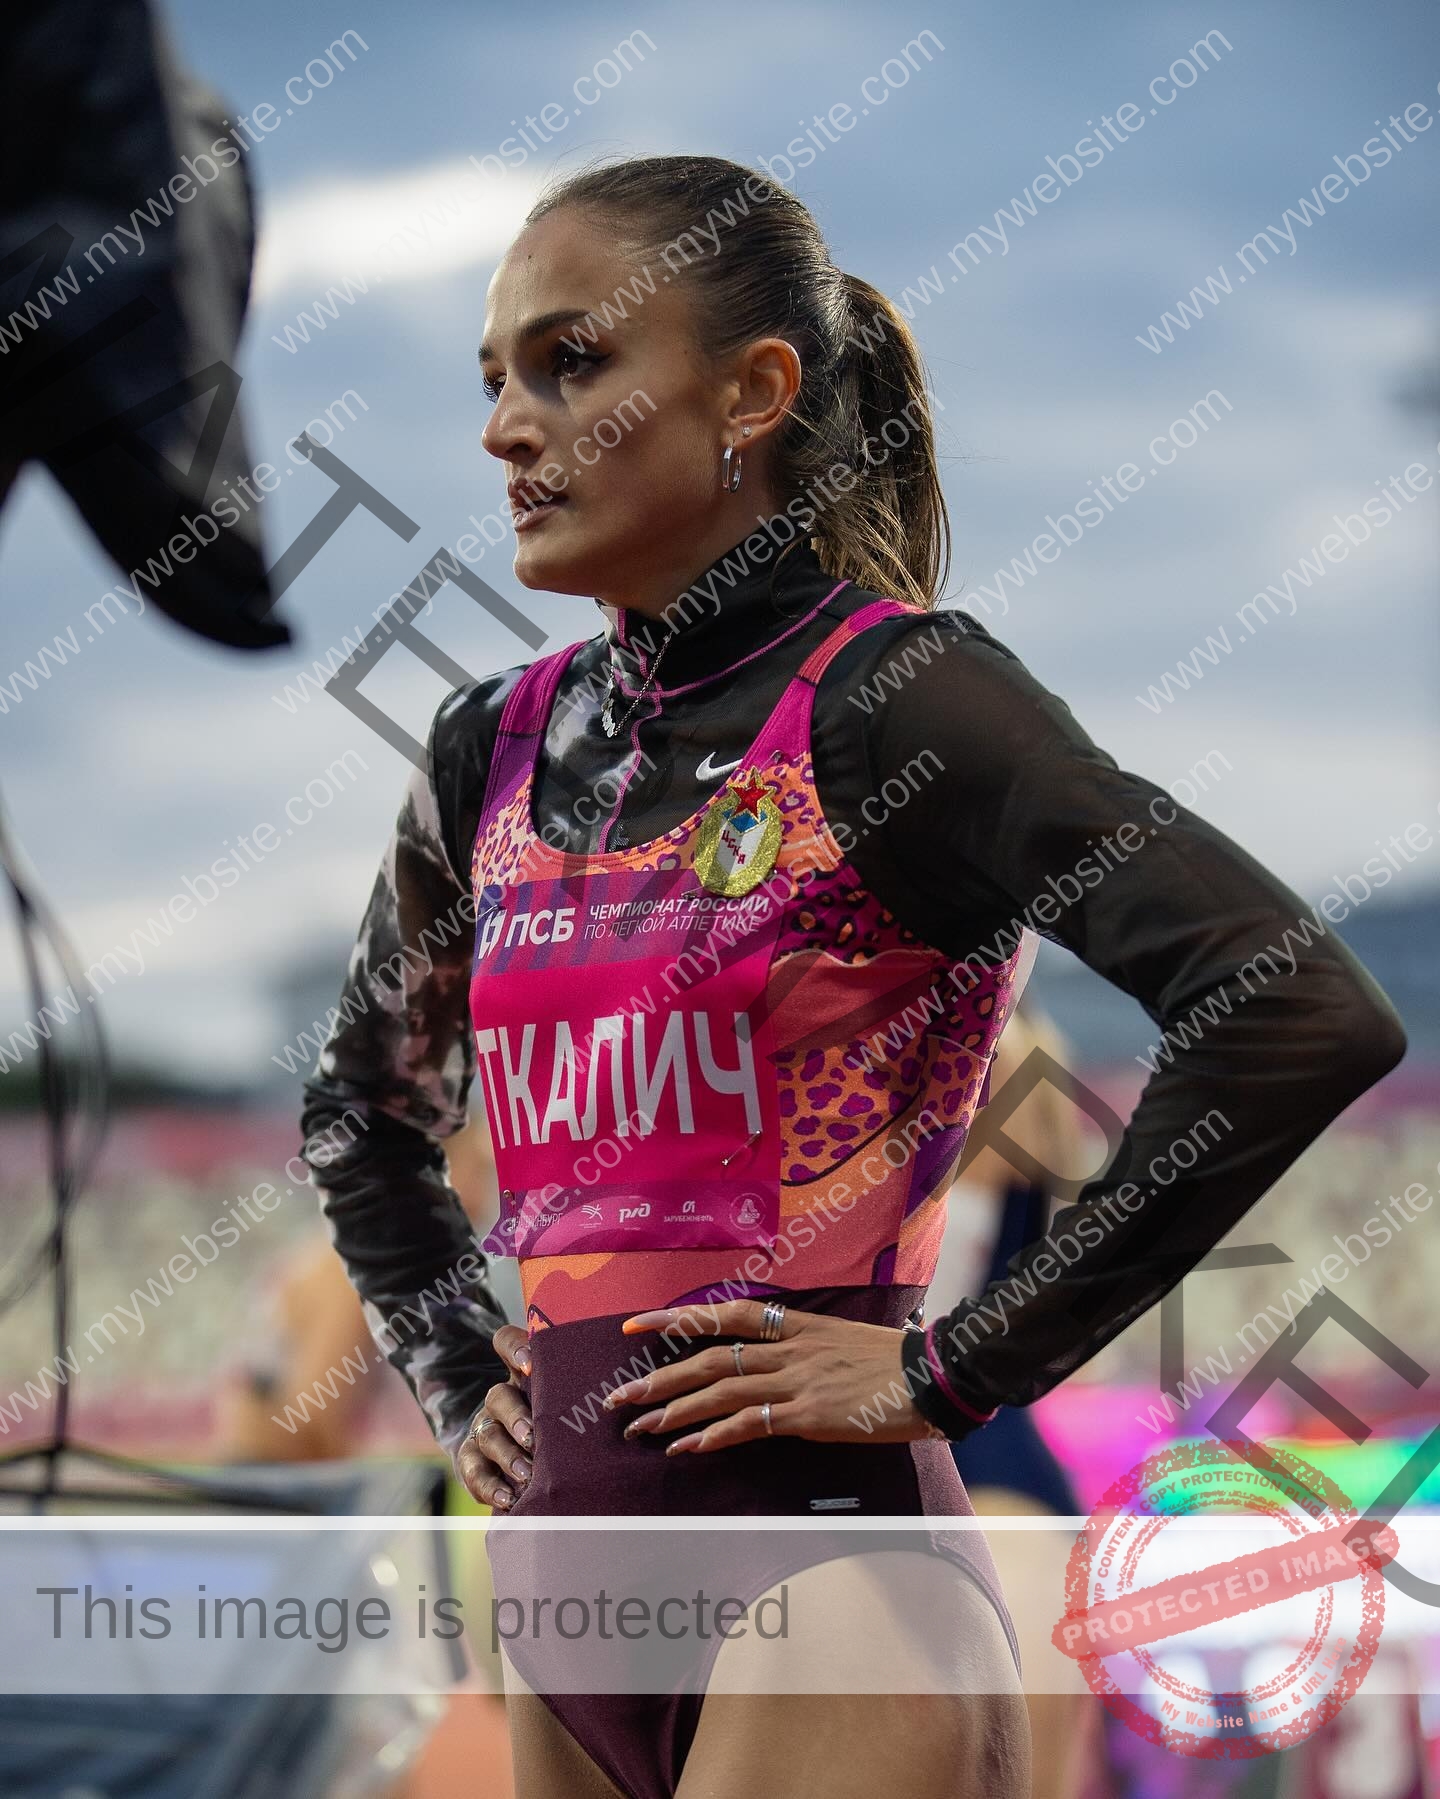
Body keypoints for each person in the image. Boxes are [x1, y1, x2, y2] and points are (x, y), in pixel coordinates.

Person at [297, 153, 1406, 1799]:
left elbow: (1294, 1003)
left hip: (829, 1585)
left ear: (752, 392)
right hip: (565, 1588)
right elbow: (359, 1116)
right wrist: (461, 1371)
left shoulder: (896, 700)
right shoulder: (489, 747)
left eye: (573, 362)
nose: (505, 430)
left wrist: (950, 1367)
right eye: (496, 379)